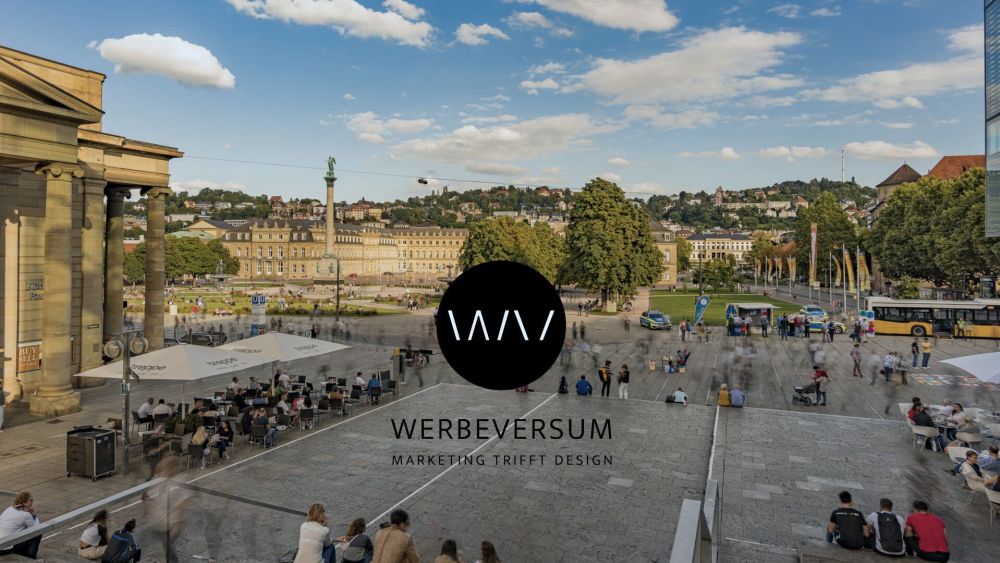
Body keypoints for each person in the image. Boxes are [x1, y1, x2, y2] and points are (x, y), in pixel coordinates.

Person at [0, 491, 41, 559]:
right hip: (6, 547)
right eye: (31, 500)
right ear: (26, 501)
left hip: (1, 543)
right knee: (37, 533)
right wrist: (34, 515)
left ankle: (20, 551)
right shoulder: (26, 515)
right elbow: (37, 528)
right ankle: (30, 557)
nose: (32, 502)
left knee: (21, 529)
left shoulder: (9, 509)